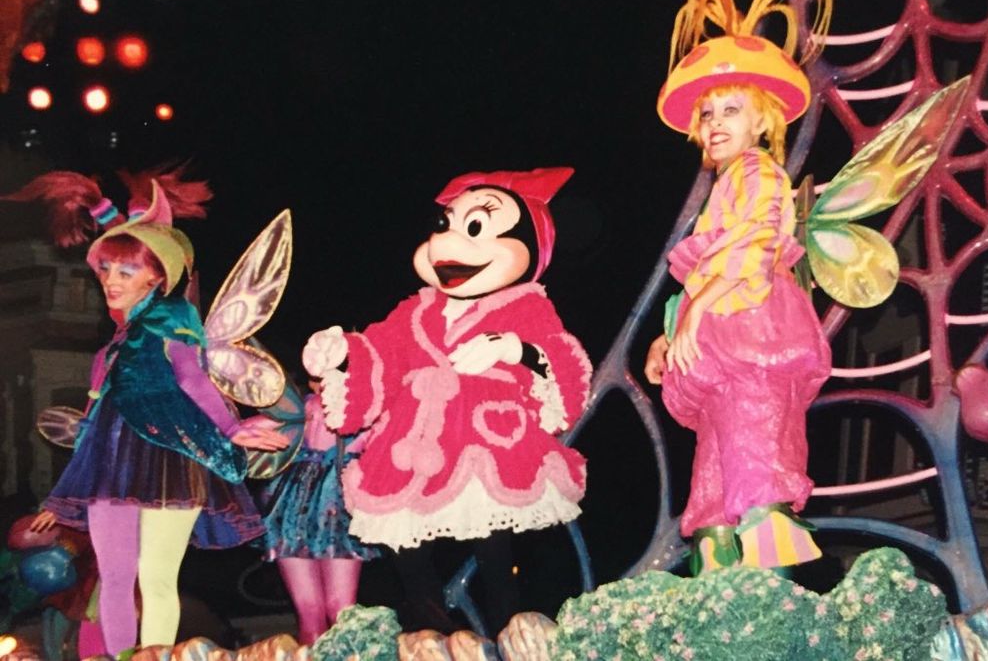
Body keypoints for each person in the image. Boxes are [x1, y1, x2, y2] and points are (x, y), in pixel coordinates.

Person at [6, 170, 287, 657]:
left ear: (156, 276)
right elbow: (91, 426)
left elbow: (194, 381)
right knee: (114, 579)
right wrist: (61, 496)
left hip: (169, 461)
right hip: (109, 469)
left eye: (125, 271)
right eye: (106, 271)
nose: (110, 282)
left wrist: (232, 427)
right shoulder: (108, 352)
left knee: (155, 578)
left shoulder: (170, 323)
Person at [303, 167, 591, 637]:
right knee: (407, 551)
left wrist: (513, 349)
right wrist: (342, 355)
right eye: (446, 225)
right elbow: (381, 352)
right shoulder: (416, 310)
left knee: (494, 551)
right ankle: (433, 631)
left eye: (475, 227)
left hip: (487, 440)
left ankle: (508, 635)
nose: (449, 243)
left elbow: (563, 360)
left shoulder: (526, 306)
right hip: (413, 446)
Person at [643, 0, 833, 575]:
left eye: (731, 109)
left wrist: (696, 315)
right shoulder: (725, 184)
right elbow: (705, 270)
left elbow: (754, 245)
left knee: (753, 443)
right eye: (707, 113)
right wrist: (672, 332)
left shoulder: (756, 171)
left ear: (762, 121)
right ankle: (719, 564)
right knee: (718, 462)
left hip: (753, 331)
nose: (716, 122)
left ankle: (767, 567)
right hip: (722, 342)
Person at [257, 390, 380, 644]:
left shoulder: (369, 399)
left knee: (336, 610)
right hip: (295, 501)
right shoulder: (303, 403)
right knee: (321, 610)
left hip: (328, 499)